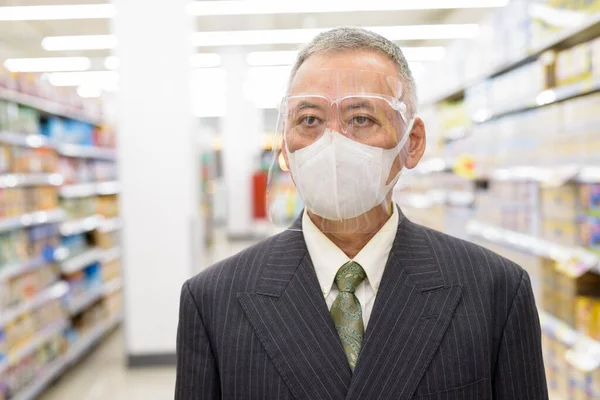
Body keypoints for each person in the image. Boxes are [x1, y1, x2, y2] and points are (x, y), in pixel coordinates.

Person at [175, 27, 548, 400]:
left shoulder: (495, 291)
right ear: (285, 146)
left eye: (361, 119)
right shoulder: (212, 301)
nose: (332, 141)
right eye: (309, 120)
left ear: (412, 143)